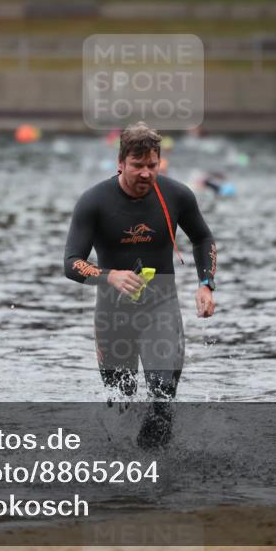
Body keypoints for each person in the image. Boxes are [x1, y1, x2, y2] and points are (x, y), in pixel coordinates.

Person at [64, 122, 217, 406]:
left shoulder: (177, 196)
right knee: (121, 404)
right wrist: (109, 276)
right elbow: (71, 263)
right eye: (137, 165)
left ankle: (161, 453)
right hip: (113, 315)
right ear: (120, 163)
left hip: (162, 309)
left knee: (162, 395)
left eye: (152, 164)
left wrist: (206, 285)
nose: (146, 173)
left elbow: (203, 238)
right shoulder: (94, 202)